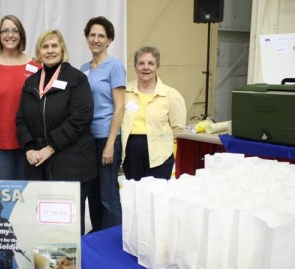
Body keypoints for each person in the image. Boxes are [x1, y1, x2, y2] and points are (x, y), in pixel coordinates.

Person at [16, 29, 97, 235]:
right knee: (42, 222)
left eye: (54, 45)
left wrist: (51, 147)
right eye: (45, 46)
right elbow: (21, 118)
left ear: (62, 49)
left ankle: (71, 266)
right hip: (38, 163)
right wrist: (29, 147)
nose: (50, 51)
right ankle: (45, 265)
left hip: (71, 162)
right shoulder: (31, 82)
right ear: (39, 51)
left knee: (67, 224)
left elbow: (80, 118)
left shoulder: (76, 79)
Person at [0, 15, 40, 180]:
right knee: (6, 200)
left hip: (30, 144)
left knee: (27, 198)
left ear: (21, 35)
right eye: (5, 30)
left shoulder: (35, 66)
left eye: (15, 30)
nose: (10, 35)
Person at [80, 16, 126, 232]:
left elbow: (119, 107)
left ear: (109, 40)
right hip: (87, 142)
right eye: (92, 35)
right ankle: (98, 236)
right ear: (87, 38)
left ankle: (114, 242)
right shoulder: (82, 69)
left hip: (107, 139)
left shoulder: (115, 67)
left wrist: (110, 144)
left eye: (101, 36)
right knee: (93, 195)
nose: (96, 39)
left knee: (108, 196)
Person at [121, 46, 186, 181]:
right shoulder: (124, 92)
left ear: (158, 67)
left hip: (160, 155)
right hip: (130, 154)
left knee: (156, 197)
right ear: (135, 66)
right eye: (141, 63)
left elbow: (178, 127)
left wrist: (159, 138)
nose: (146, 67)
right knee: (135, 195)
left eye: (151, 63)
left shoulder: (171, 95)